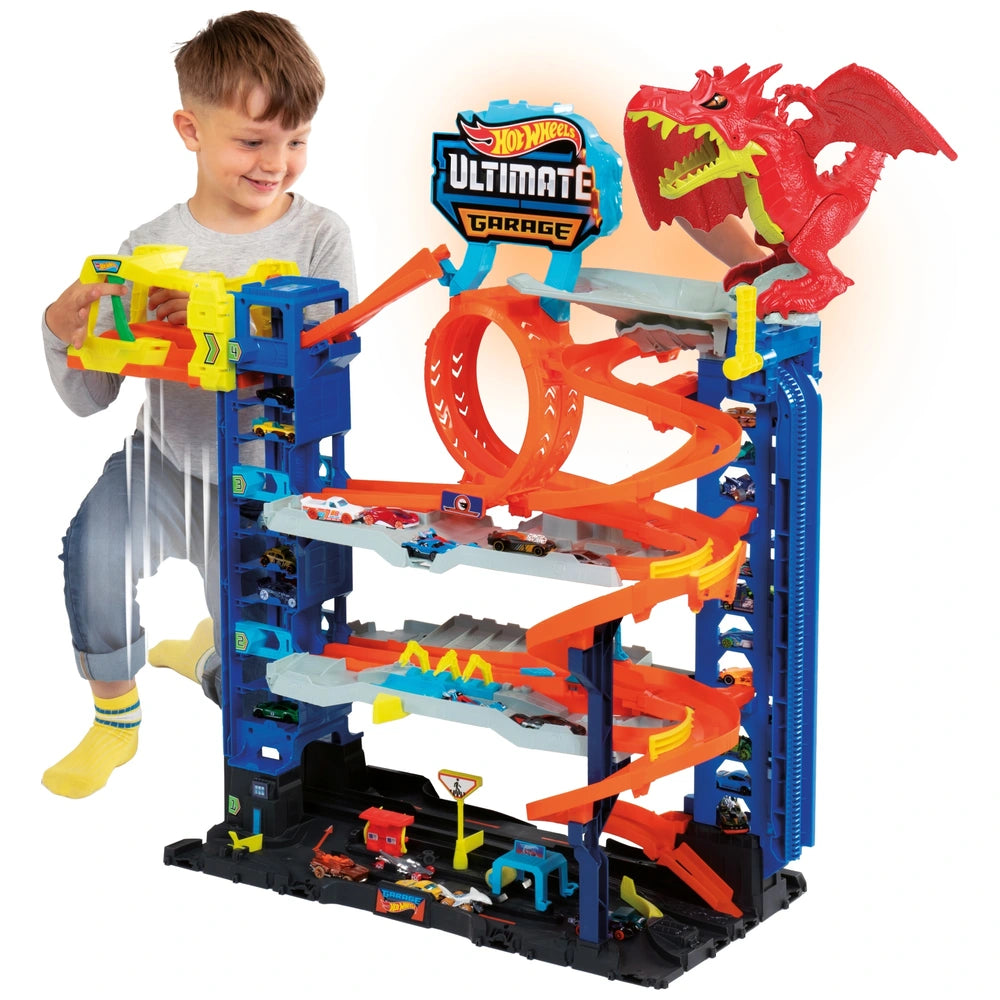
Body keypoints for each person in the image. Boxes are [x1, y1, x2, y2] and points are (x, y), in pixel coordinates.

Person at [41, 11, 356, 798]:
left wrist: (230, 320)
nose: (276, 163)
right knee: (93, 553)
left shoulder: (320, 236)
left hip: (269, 484)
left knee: (262, 682)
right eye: (252, 141)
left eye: (296, 140)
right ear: (191, 129)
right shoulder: (148, 243)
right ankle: (114, 718)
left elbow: (325, 363)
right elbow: (90, 397)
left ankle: (207, 659)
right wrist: (59, 329)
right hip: (164, 461)